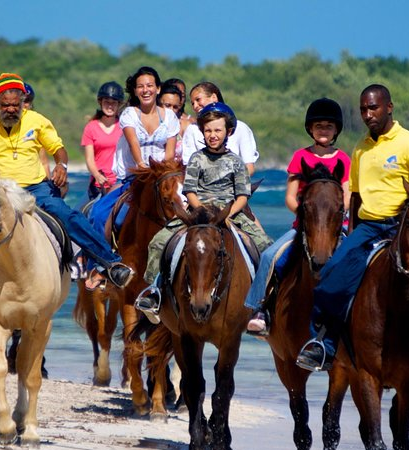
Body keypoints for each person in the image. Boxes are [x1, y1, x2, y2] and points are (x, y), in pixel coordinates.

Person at [295, 84, 409, 386]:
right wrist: (351, 238)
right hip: (368, 227)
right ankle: (322, 345)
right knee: (332, 274)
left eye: (374, 108)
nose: (368, 114)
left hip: (403, 228)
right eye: (363, 109)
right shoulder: (360, 148)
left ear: (389, 107)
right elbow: (354, 197)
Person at [0, 72, 134, 300]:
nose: (11, 109)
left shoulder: (37, 121)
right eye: (5, 105)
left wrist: (62, 165)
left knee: (69, 215)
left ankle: (111, 264)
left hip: (35, 189)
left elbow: (58, 148)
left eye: (16, 105)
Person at [135, 102, 272, 319]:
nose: (212, 135)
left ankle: (263, 302)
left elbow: (243, 196)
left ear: (229, 132)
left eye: (217, 130)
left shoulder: (236, 162)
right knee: (158, 242)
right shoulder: (197, 159)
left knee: (265, 246)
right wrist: (201, 211)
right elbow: (189, 191)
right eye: (208, 130)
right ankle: (154, 290)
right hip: (198, 212)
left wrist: (226, 215)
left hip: (229, 213)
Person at [244, 98, 351, 337]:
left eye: (329, 126)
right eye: (318, 125)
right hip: (304, 225)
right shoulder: (300, 157)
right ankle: (258, 308)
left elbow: (347, 198)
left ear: (336, 130)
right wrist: (309, 218)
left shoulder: (343, 159)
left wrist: (330, 218)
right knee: (271, 256)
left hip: (336, 226)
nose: (323, 130)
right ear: (310, 129)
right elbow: (291, 198)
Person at [88, 66, 180, 269]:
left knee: (187, 214)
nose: (145, 90)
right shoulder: (129, 114)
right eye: (140, 86)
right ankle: (99, 266)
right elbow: (133, 145)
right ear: (136, 91)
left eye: (149, 85)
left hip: (163, 178)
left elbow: (170, 154)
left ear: (158, 89)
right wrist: (141, 167)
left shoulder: (170, 117)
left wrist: (161, 175)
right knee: (99, 213)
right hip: (134, 179)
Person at [181, 82, 259, 175]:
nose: (195, 106)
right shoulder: (192, 130)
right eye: (192, 103)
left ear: (214, 97)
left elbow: (249, 168)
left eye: (198, 100)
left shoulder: (241, 128)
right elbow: (189, 169)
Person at [23, 82, 68, 198]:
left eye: (27, 101)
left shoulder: (37, 125)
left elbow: (44, 162)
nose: (24, 105)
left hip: (36, 185)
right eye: (20, 101)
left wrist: (46, 185)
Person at [81, 81, 124, 199]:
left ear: (119, 104)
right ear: (100, 102)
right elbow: (89, 158)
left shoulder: (125, 127)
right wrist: (97, 175)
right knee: (77, 214)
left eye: (113, 103)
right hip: (98, 184)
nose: (110, 106)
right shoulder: (91, 127)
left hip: (120, 182)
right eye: (106, 102)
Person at [157, 83, 188, 163]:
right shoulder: (150, 125)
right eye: (167, 105)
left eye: (175, 107)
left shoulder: (184, 125)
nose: (171, 110)